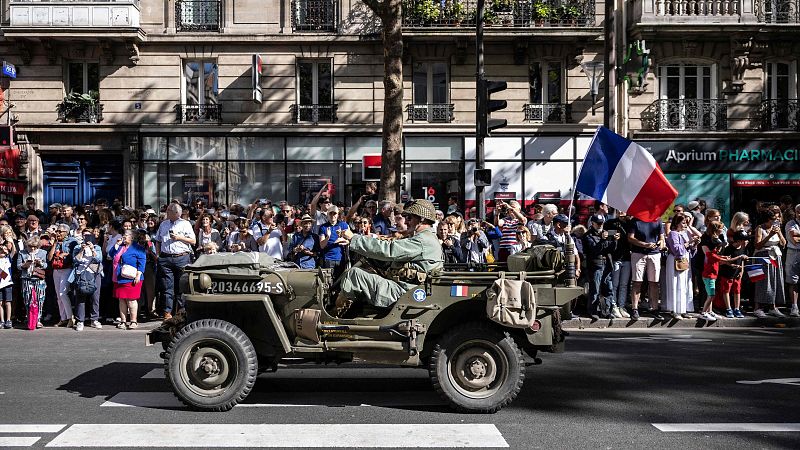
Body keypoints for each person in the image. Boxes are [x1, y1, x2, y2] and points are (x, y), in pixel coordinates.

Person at [334, 199, 444, 314]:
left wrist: (354, 238)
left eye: (409, 218)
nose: (406, 222)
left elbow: (389, 250)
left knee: (354, 274)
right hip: (407, 288)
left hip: (404, 291)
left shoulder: (423, 240)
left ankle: (335, 318)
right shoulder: (427, 238)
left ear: (422, 219)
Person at [155, 203, 196, 321]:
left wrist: (179, 238)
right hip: (166, 258)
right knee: (167, 286)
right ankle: (167, 311)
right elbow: (158, 240)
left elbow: (193, 241)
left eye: (169, 211)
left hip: (181, 257)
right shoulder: (164, 224)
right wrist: (158, 255)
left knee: (181, 286)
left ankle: (181, 312)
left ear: (176, 213)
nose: (166, 213)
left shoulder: (185, 224)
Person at [627, 216, 665, 320]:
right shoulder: (635, 220)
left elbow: (661, 238)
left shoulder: (657, 219)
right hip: (638, 253)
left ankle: (654, 308)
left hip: (654, 254)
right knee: (637, 281)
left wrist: (659, 243)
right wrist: (645, 244)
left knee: (654, 282)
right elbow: (630, 238)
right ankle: (635, 308)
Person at [582, 214, 618, 319]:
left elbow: (611, 250)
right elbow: (594, 250)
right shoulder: (588, 235)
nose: (600, 225)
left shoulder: (605, 233)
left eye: (601, 223)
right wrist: (602, 240)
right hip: (595, 265)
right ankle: (593, 311)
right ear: (592, 223)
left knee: (608, 288)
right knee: (595, 290)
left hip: (607, 264)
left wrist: (614, 240)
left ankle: (607, 311)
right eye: (598, 223)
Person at [110, 229, 147, 329]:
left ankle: (133, 321)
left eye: (126, 235)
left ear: (132, 237)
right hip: (119, 277)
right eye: (124, 235)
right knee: (121, 300)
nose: (124, 237)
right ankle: (123, 321)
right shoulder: (121, 246)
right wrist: (116, 246)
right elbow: (111, 254)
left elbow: (142, 261)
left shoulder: (138, 248)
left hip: (132, 277)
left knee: (131, 300)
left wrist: (139, 274)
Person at [752, 210, 787, 318]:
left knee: (775, 280)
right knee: (761, 281)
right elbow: (757, 246)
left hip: (775, 256)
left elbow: (783, 243)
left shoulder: (777, 228)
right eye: (774, 219)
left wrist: (779, 233)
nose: (776, 220)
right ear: (767, 219)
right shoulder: (760, 228)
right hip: (762, 255)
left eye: (777, 218)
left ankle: (772, 307)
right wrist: (769, 235)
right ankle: (758, 308)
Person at [664, 214, 698, 320]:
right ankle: (675, 310)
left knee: (684, 285)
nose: (685, 225)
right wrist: (689, 243)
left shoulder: (682, 234)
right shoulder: (673, 234)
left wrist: (694, 244)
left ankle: (683, 309)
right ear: (677, 223)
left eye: (686, 222)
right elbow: (676, 250)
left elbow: (688, 249)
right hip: (675, 260)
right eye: (683, 222)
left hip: (684, 260)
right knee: (676, 284)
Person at [68, 234, 103, 331]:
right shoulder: (77, 247)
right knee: (80, 298)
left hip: (94, 274)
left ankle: (94, 319)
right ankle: (80, 321)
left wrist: (92, 249)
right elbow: (75, 260)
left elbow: (99, 259)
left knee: (95, 298)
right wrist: (81, 250)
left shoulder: (97, 248)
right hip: (81, 274)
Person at [49, 223, 78, 327]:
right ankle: (63, 318)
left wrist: (66, 254)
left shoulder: (72, 241)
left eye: (60, 231)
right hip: (56, 270)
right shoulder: (56, 242)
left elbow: (76, 255)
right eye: (57, 231)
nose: (58, 233)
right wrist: (54, 243)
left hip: (67, 269)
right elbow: (49, 258)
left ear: (66, 232)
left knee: (63, 293)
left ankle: (71, 317)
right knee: (58, 296)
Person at [604, 211, 631, 318]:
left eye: (623, 210)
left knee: (624, 285)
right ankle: (613, 306)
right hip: (615, 257)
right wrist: (613, 235)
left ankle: (622, 306)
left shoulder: (630, 223)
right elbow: (604, 234)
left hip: (627, 257)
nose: (621, 212)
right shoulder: (611, 222)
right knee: (614, 284)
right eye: (619, 210)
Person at [718, 231, 750, 318]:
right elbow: (722, 261)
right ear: (738, 241)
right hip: (727, 273)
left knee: (737, 291)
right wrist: (731, 265)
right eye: (744, 240)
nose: (746, 242)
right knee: (726, 291)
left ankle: (736, 308)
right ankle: (728, 308)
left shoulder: (743, 249)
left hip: (737, 274)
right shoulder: (728, 249)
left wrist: (741, 271)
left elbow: (742, 261)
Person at [18, 236, 48, 329]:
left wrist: (40, 263)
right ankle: (30, 318)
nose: (33, 249)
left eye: (35, 247)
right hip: (26, 278)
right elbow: (18, 266)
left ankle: (38, 319)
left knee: (40, 299)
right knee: (27, 299)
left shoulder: (43, 253)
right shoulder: (22, 253)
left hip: (39, 278)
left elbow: (46, 265)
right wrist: (26, 264)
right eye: (30, 246)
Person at [319, 205, 350, 281]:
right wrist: (328, 237)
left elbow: (350, 240)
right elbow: (322, 245)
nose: (333, 215)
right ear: (328, 215)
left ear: (338, 214)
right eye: (331, 213)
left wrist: (343, 239)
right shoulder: (323, 227)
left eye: (334, 213)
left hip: (341, 258)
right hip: (328, 259)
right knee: (328, 282)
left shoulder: (343, 225)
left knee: (341, 281)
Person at [784, 204, 800, 317]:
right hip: (794, 253)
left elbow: (797, 236)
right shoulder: (790, 223)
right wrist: (795, 236)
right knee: (793, 280)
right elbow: (794, 240)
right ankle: (794, 307)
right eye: (798, 211)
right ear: (795, 212)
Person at [0, 244, 12, 329]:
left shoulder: (8, 259)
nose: (2, 251)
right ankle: (2, 320)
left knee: (8, 302)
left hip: (7, 283)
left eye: (4, 250)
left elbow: (13, 251)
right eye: (1, 250)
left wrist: (7, 249)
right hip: (0, 284)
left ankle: (8, 320)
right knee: (0, 303)